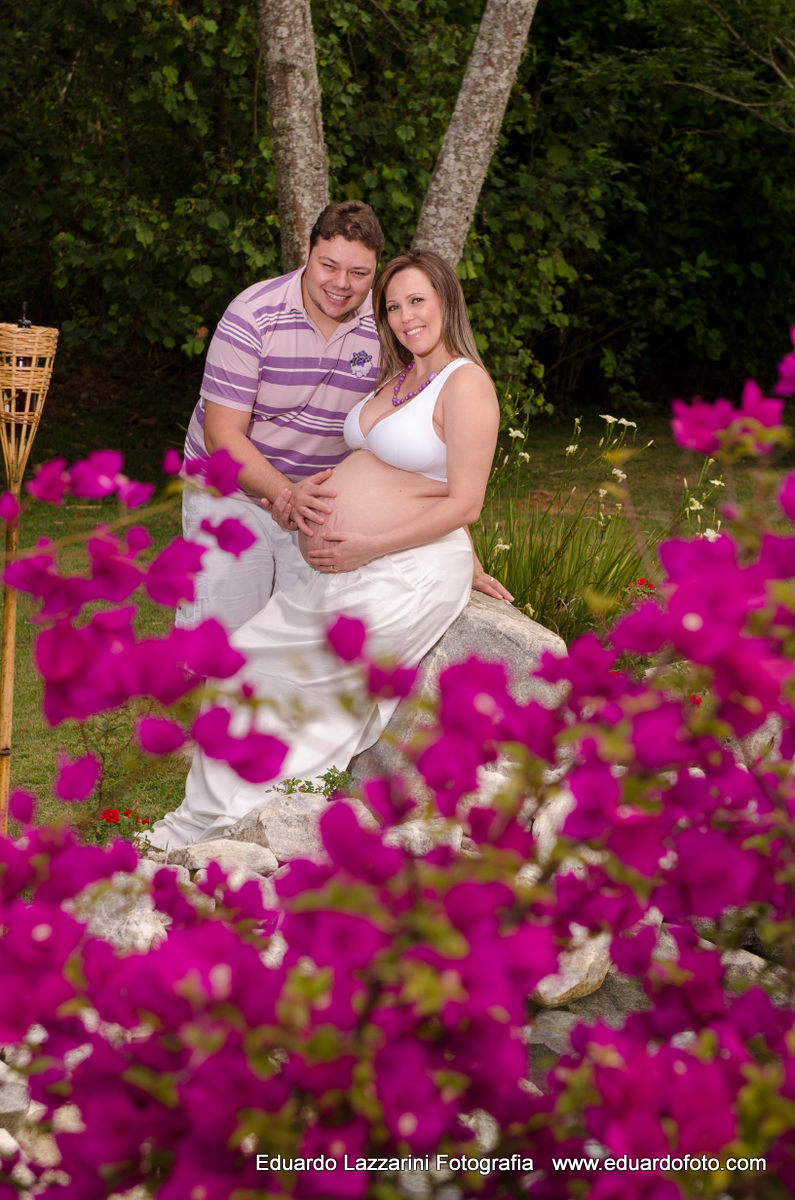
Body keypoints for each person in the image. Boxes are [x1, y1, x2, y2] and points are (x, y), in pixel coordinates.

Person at [147, 249, 502, 849]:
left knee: (306, 684)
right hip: (349, 561)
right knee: (244, 666)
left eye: (418, 300)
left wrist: (374, 546)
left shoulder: (465, 383)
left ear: (447, 300)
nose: (405, 316)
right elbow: (419, 477)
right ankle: (203, 826)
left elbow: (464, 502)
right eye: (393, 306)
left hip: (400, 567)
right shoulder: (400, 377)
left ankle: (259, 829)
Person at [178, 201, 511, 634]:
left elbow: (426, 458)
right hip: (233, 498)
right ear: (307, 253)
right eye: (329, 266)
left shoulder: (387, 330)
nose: (341, 284)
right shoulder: (253, 315)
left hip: (317, 513)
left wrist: (465, 555)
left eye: (359, 273)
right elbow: (221, 434)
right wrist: (286, 494)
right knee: (223, 642)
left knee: (284, 655)